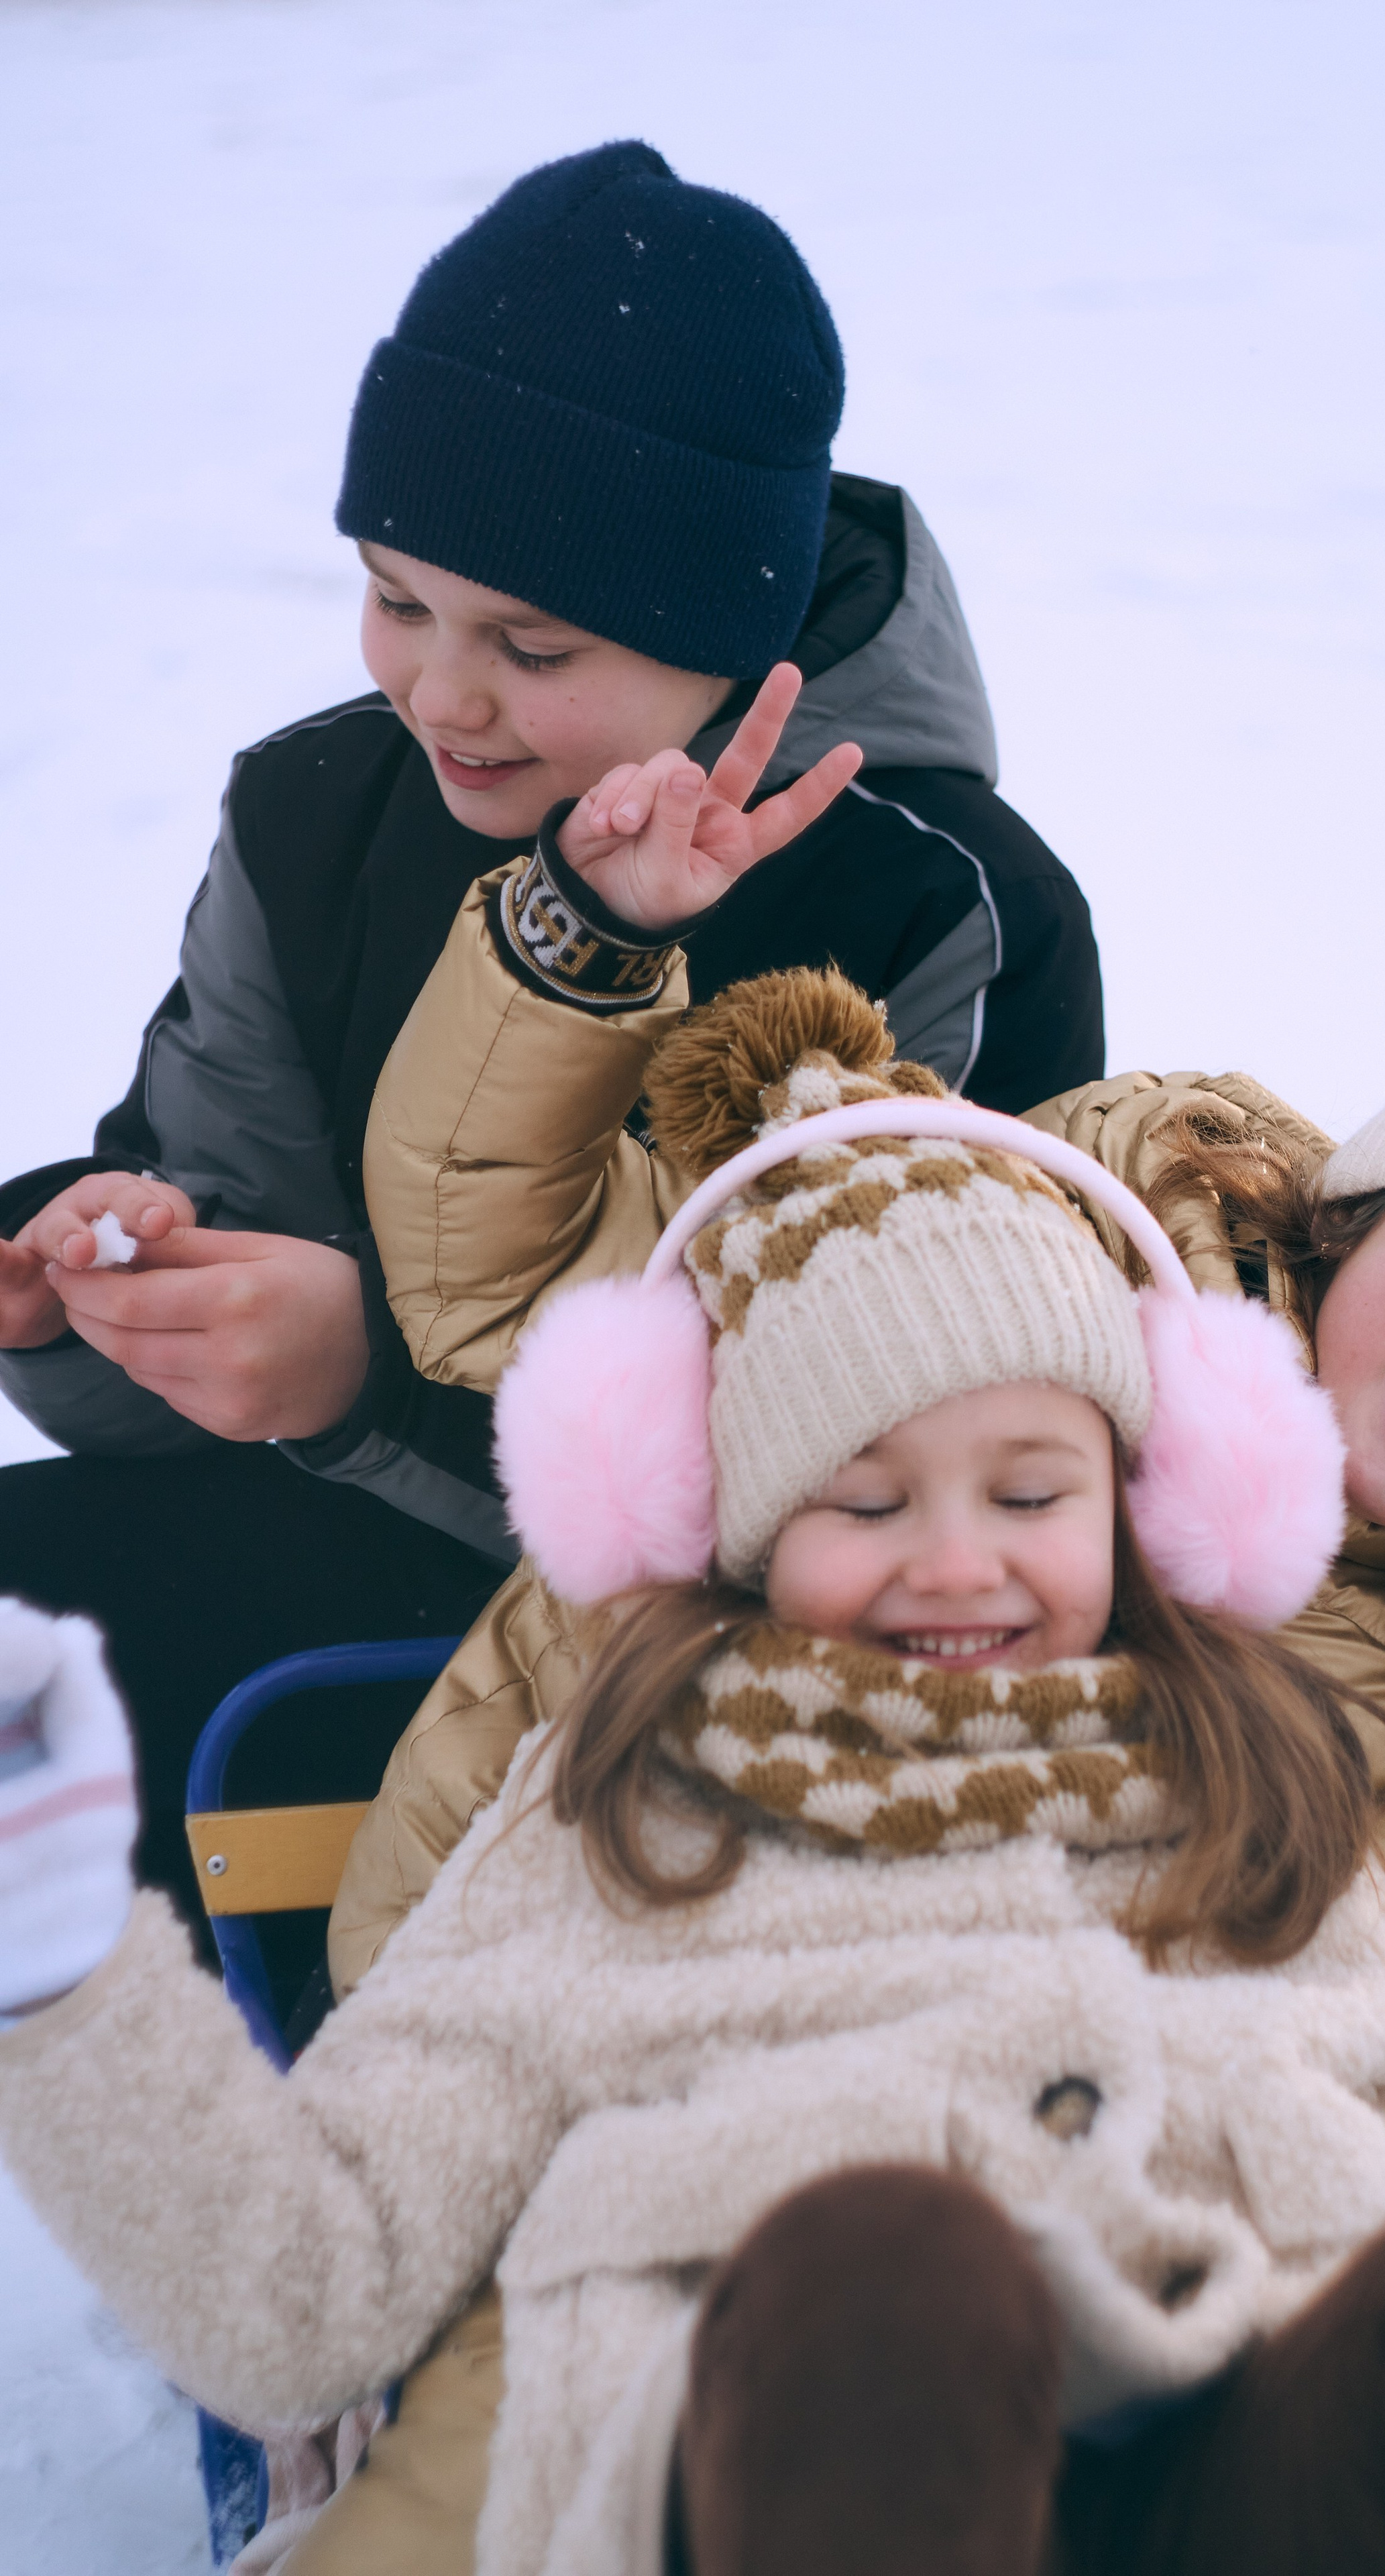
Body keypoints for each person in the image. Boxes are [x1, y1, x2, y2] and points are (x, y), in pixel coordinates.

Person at [2, 982, 1385, 2576]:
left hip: (1198, 2422)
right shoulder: (637, 1827)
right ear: (736, 1533)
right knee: (893, 2268)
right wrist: (62, 1961)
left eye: (1035, 1499)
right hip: (781, 2415)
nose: (955, 1565)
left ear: (1159, 1518)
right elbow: (304, 2276)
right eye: (866, 1503)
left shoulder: (1273, 1820)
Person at [0, 140, 1101, 1931]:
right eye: (396, 597)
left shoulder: (938, 908)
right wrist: (98, 1298)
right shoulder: (320, 818)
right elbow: (220, 1212)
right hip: (345, 1546)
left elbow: (867, 1488)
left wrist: (359, 1385)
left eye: (532, 640)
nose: (439, 691)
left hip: (738, 1698)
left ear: (728, 632)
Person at [334, 794, 1385, 2031]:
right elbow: (496, 1265)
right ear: (1365, 1205)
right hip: (520, 1963)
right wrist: (583, 939)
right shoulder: (1008, 1253)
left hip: (905, 2111)